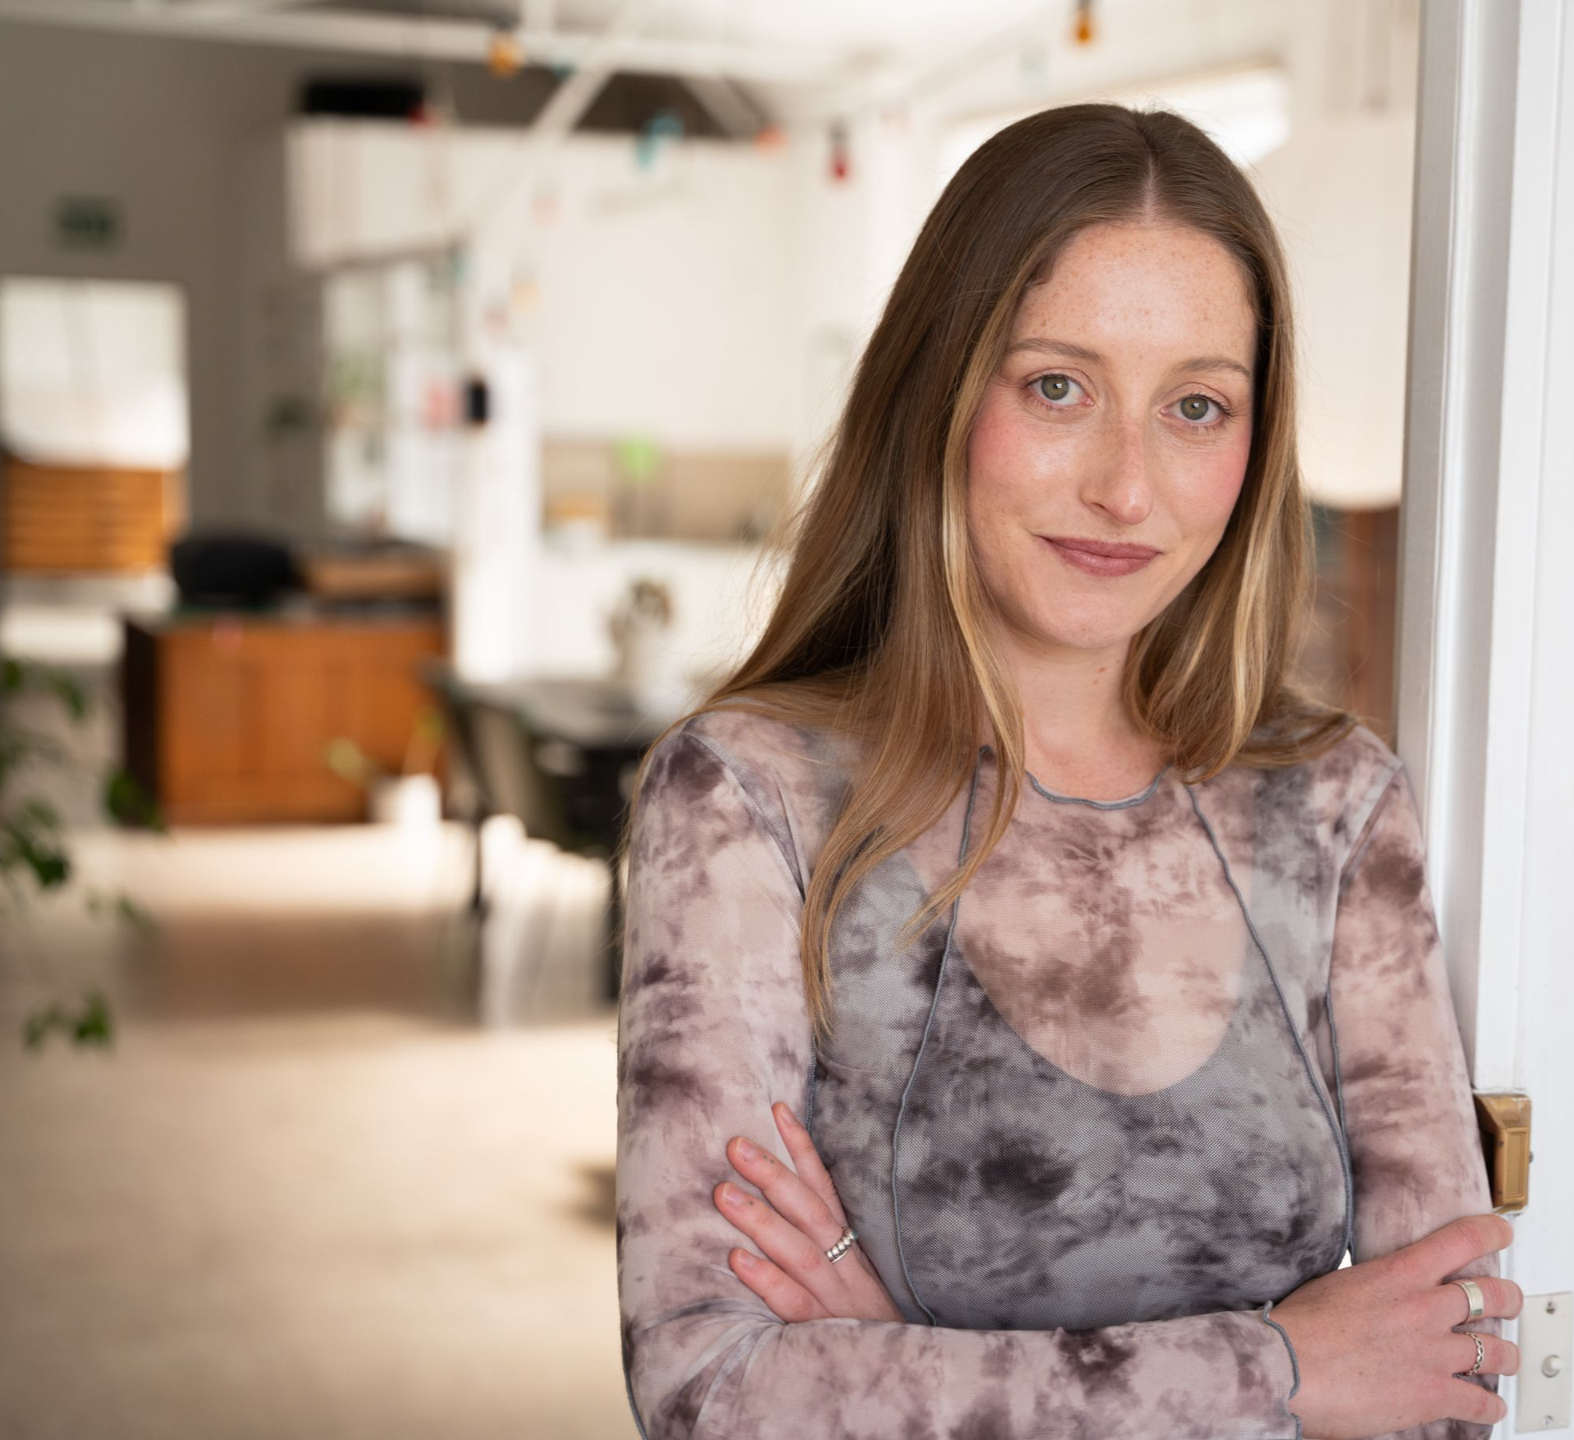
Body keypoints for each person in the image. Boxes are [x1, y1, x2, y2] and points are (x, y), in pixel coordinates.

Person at [615, 102, 1520, 1440]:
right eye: (1057, 387)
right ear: (939, 390)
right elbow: (714, 1390)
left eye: (1197, 407)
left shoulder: (1335, 803)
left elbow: (1442, 1386)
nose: (1126, 489)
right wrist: (1286, 1372)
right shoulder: (749, 797)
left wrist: (900, 1363)